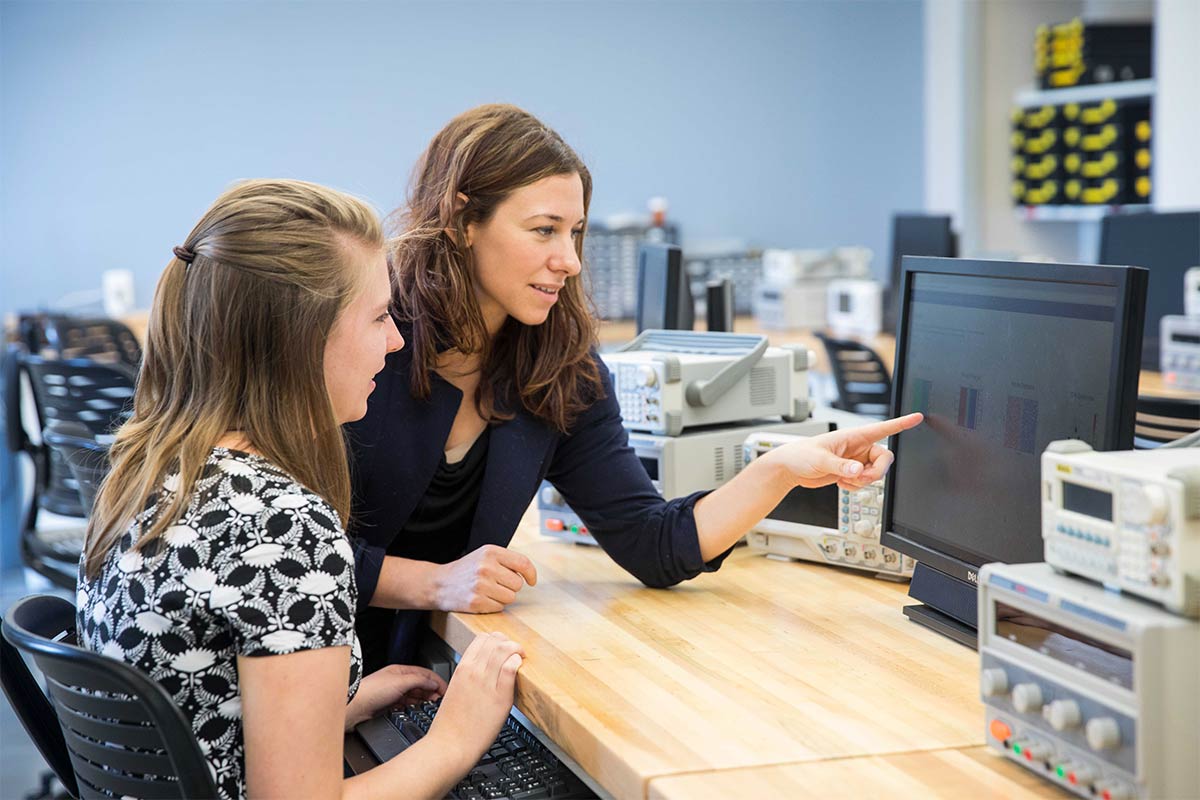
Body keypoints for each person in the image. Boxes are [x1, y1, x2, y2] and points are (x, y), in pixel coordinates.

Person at [348, 104, 923, 672]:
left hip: (419, 672)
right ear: (462, 221)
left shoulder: (559, 372)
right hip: (310, 663)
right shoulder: (361, 347)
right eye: (543, 230)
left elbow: (653, 544)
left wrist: (781, 470)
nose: (569, 261)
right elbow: (274, 542)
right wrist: (434, 583)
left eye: (574, 233)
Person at [78, 179, 524, 800]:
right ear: (301, 341)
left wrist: (349, 699)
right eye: (377, 317)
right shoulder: (280, 525)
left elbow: (198, 710)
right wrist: (459, 734)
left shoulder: (152, 474)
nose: (395, 341)